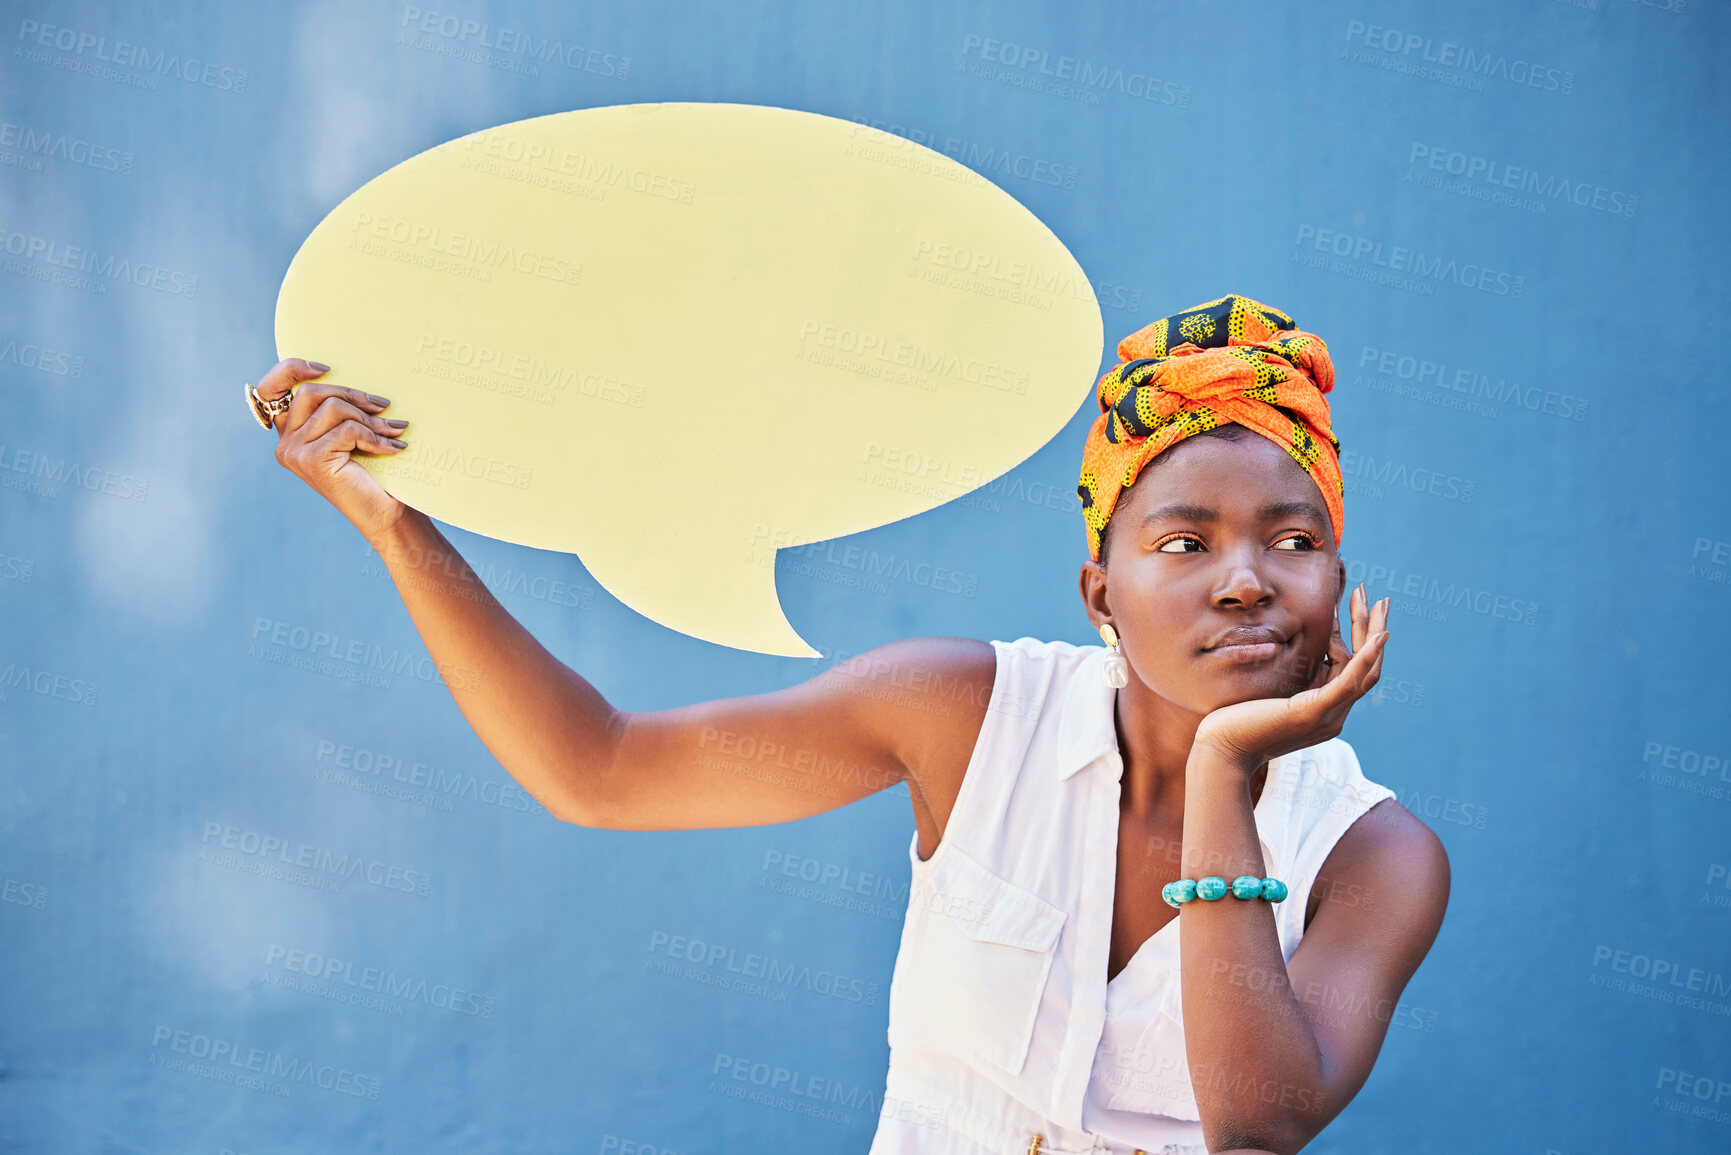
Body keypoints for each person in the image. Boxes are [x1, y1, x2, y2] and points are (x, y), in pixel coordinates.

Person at [250, 294, 1449, 1155]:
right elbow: (604, 769)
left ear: (1339, 582)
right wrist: (395, 524)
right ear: (1100, 594)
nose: (1247, 581)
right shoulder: (962, 714)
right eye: (1185, 542)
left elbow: (1259, 1122)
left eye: (1295, 541)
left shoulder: (1375, 859)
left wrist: (1227, 777)